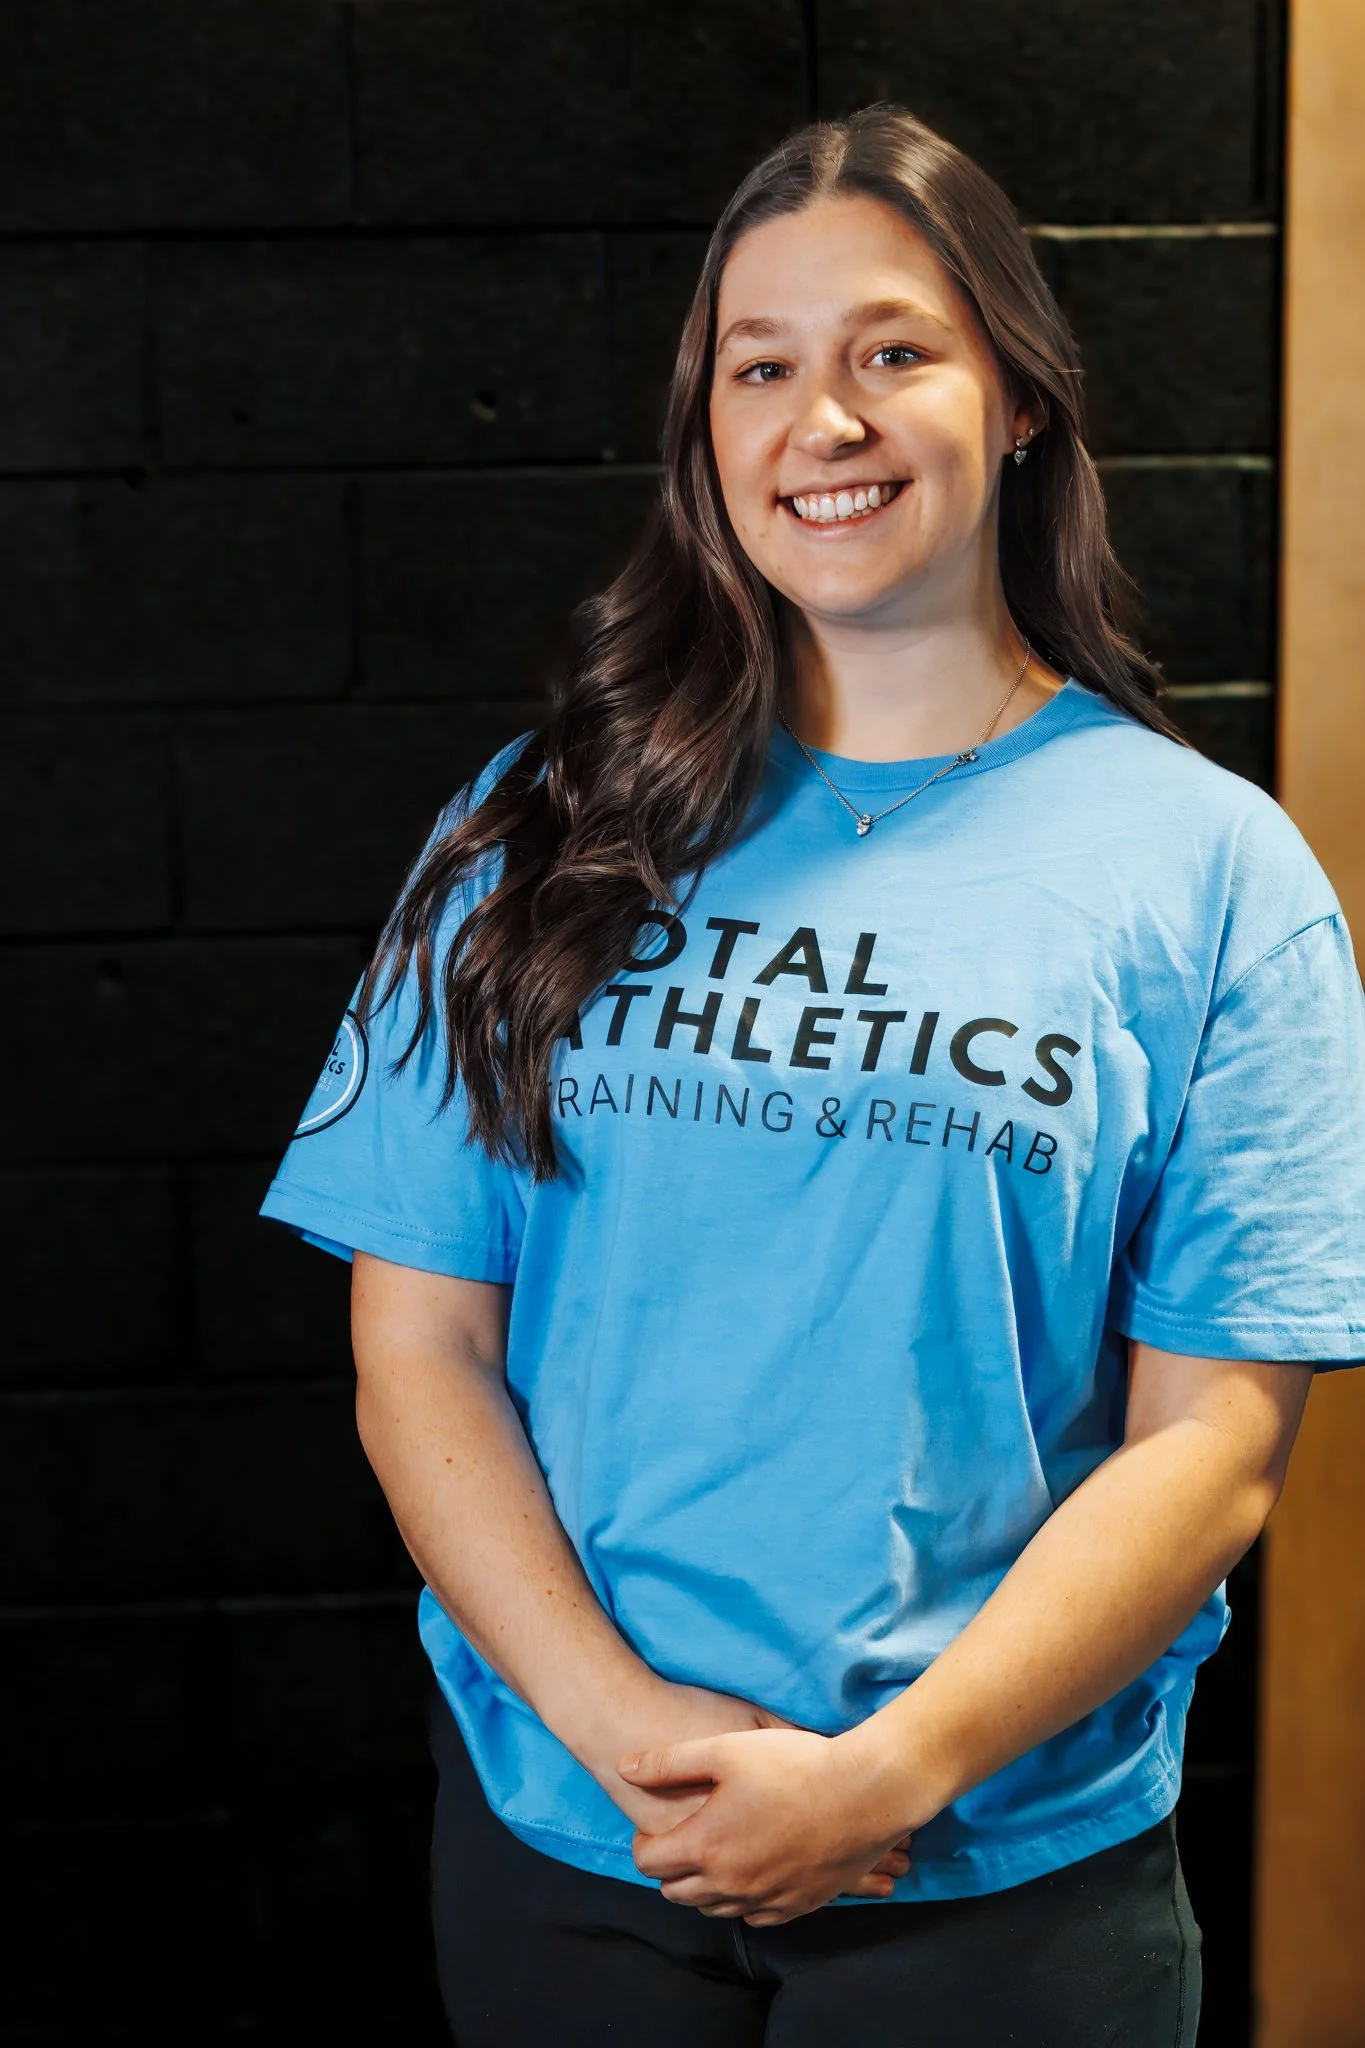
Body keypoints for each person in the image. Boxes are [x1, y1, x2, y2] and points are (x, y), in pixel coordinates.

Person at [260, 105, 1365, 2045]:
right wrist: (630, 1737)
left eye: (890, 352)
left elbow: (1213, 1440)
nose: (819, 421)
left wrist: (892, 1772)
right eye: (757, 368)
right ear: (705, 427)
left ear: (1016, 396)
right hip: (574, 1852)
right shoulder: (531, 829)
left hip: (1002, 1881)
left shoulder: (1209, 871)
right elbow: (416, 1344)